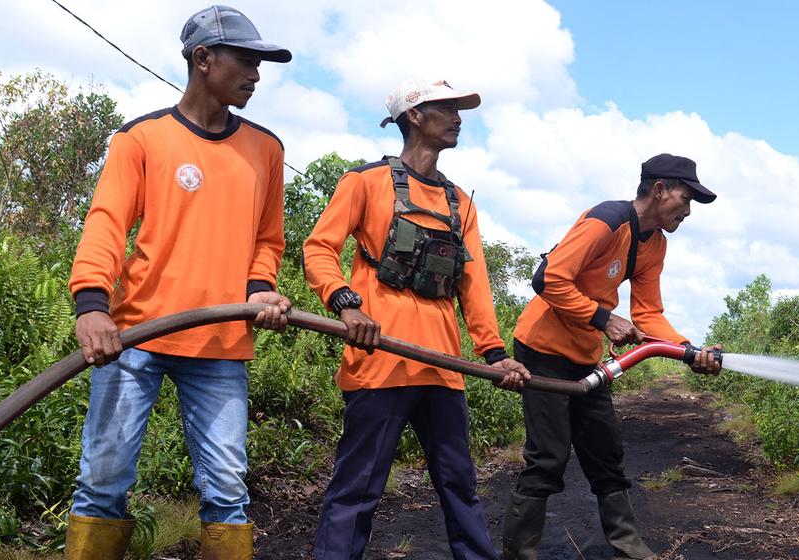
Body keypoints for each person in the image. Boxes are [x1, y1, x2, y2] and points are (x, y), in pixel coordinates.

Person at [62, 6, 292, 558]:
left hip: (220, 342)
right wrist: (91, 303)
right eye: (247, 61)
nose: (256, 76)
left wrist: (260, 288)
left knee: (228, 491)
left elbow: (269, 239)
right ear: (203, 58)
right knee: (103, 482)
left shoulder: (266, 149)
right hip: (135, 336)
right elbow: (107, 223)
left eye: (261, 64)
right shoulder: (141, 139)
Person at [303, 78, 530, 560]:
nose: (457, 117)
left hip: (444, 370)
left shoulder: (459, 203)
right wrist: (347, 303)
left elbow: (474, 287)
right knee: (357, 491)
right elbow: (319, 249)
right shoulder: (364, 183)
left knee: (460, 488)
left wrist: (495, 355)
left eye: (458, 109)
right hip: (381, 363)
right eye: (445, 108)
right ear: (414, 117)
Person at [502, 154, 724, 560]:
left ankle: (627, 545)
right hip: (541, 350)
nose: (688, 211)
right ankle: (520, 553)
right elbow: (547, 279)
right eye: (685, 198)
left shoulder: (655, 244)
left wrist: (689, 351)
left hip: (586, 358)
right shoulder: (607, 220)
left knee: (606, 452)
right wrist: (603, 318)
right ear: (659, 190)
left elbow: (648, 314)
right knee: (548, 456)